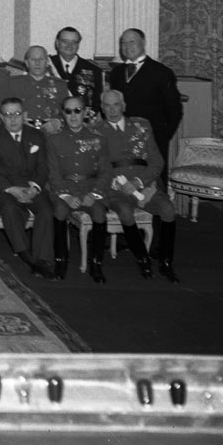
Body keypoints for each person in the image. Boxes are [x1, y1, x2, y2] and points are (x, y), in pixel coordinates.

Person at [98, 89, 180, 282]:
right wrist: (115, 183)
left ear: (123, 106)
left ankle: (166, 262)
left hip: (144, 184)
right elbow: (97, 166)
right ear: (101, 108)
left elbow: (157, 161)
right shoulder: (95, 131)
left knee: (168, 210)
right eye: (107, 106)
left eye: (116, 104)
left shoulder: (141, 125)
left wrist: (140, 181)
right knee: (125, 212)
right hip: (115, 188)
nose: (112, 110)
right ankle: (143, 258)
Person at [0, 98, 55, 278]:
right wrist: (12, 189)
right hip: (6, 188)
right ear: (1, 117)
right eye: (8, 115)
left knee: (46, 211)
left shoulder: (36, 135)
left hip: (32, 186)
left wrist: (35, 188)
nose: (13, 119)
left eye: (17, 114)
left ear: (24, 115)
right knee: (10, 209)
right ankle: (27, 256)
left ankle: (43, 259)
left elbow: (43, 167)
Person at [46, 95, 111, 282]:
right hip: (64, 188)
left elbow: (106, 172)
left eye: (77, 111)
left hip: (90, 187)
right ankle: (61, 261)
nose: (73, 115)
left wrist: (95, 193)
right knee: (59, 210)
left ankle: (96, 263)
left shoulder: (98, 139)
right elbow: (53, 172)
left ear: (85, 113)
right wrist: (65, 196)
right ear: (62, 114)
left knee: (99, 213)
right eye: (68, 111)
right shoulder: (54, 140)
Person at [108, 28, 183, 184]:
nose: (127, 46)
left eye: (132, 41)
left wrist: (160, 136)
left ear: (143, 43)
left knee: (152, 187)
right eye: (123, 43)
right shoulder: (116, 73)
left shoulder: (162, 72)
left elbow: (175, 110)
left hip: (151, 140)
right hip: (121, 140)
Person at [5, 45, 69, 127]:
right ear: (27, 63)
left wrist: (58, 122)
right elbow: (3, 111)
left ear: (47, 62)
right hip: (23, 132)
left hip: (51, 133)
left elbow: (68, 112)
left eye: (41, 59)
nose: (37, 63)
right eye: (33, 59)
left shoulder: (60, 85)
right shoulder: (13, 83)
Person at [49, 25, 104, 114]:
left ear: (78, 45)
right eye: (64, 41)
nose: (69, 45)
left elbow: (97, 102)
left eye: (74, 42)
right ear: (57, 43)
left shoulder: (93, 70)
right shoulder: (46, 66)